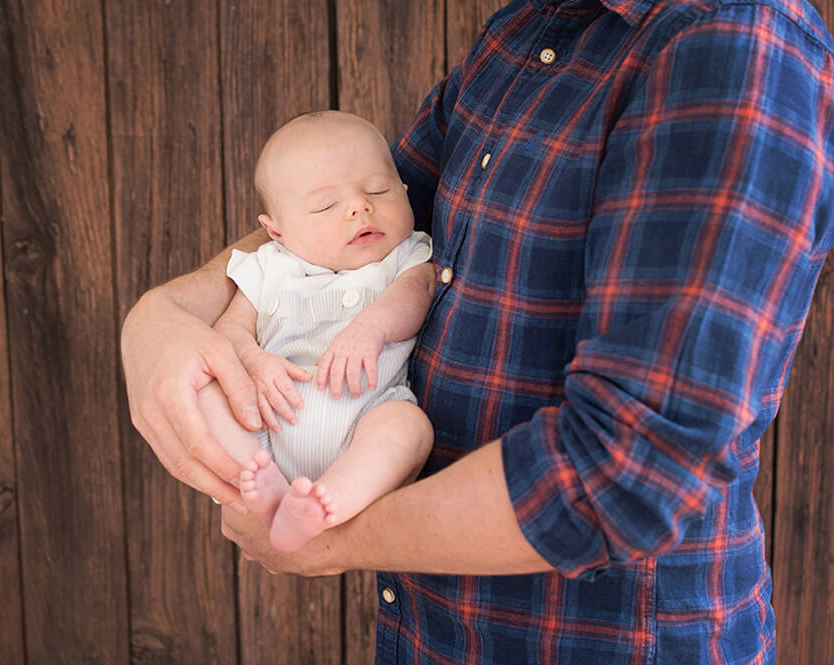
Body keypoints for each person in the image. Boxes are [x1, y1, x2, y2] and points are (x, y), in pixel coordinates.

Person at [121, 0, 834, 662]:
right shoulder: (528, 30)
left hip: (600, 640)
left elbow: (625, 470)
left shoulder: (734, 45)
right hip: (432, 630)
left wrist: (335, 533)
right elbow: (368, 218)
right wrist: (163, 316)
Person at [201, 110, 435, 552]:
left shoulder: (404, 257)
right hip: (266, 425)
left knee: (409, 428)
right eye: (326, 205)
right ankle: (258, 480)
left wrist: (372, 326)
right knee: (203, 387)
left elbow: (421, 290)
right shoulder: (271, 266)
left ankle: (327, 505)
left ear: (405, 193)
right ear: (276, 231)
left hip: (366, 417)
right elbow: (228, 333)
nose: (359, 206)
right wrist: (254, 359)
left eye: (378, 190)